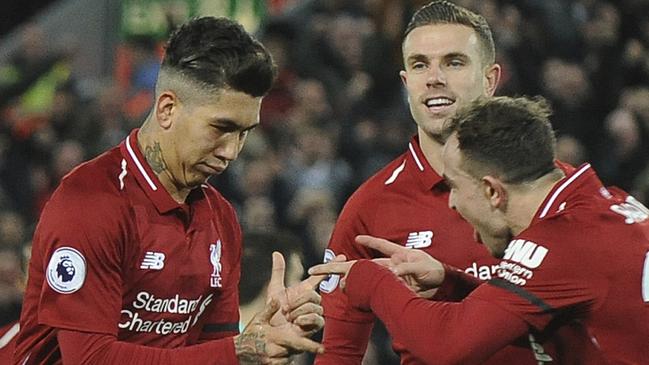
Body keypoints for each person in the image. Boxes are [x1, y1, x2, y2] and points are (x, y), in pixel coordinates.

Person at [14, 16, 326, 365]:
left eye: (244, 132)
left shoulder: (220, 219)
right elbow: (89, 359)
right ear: (167, 109)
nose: (231, 151)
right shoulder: (91, 203)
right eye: (221, 128)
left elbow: (213, 356)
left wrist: (265, 344)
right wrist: (236, 351)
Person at [310, 96, 649, 364]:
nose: (453, 203)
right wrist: (450, 282)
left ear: (492, 191)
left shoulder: (559, 240)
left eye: (455, 186)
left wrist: (371, 281)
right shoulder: (606, 203)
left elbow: (447, 346)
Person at [315, 1, 535, 363]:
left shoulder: (549, 189)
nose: (434, 77)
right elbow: (338, 352)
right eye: (420, 65)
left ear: (491, 79)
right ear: (406, 83)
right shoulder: (370, 207)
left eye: (454, 62)